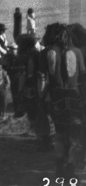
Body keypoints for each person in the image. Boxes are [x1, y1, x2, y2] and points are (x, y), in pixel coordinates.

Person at [40, 23, 86, 178]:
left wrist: (42, 100)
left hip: (56, 100)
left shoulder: (46, 52)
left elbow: (42, 80)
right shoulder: (77, 52)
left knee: (60, 133)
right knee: (75, 134)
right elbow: (83, 78)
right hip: (75, 99)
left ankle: (60, 165)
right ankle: (71, 167)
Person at [17, 33, 51, 151]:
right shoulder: (38, 54)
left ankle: (42, 140)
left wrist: (19, 91)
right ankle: (45, 138)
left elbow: (23, 75)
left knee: (32, 114)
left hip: (29, 89)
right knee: (41, 113)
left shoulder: (24, 57)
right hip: (40, 87)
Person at [5, 44, 25, 118]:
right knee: (14, 95)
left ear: (16, 50)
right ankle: (16, 112)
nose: (10, 51)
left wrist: (11, 69)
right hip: (13, 78)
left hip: (19, 79)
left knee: (19, 95)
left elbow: (22, 68)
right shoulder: (10, 58)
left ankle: (20, 112)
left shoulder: (19, 58)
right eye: (10, 49)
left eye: (12, 49)